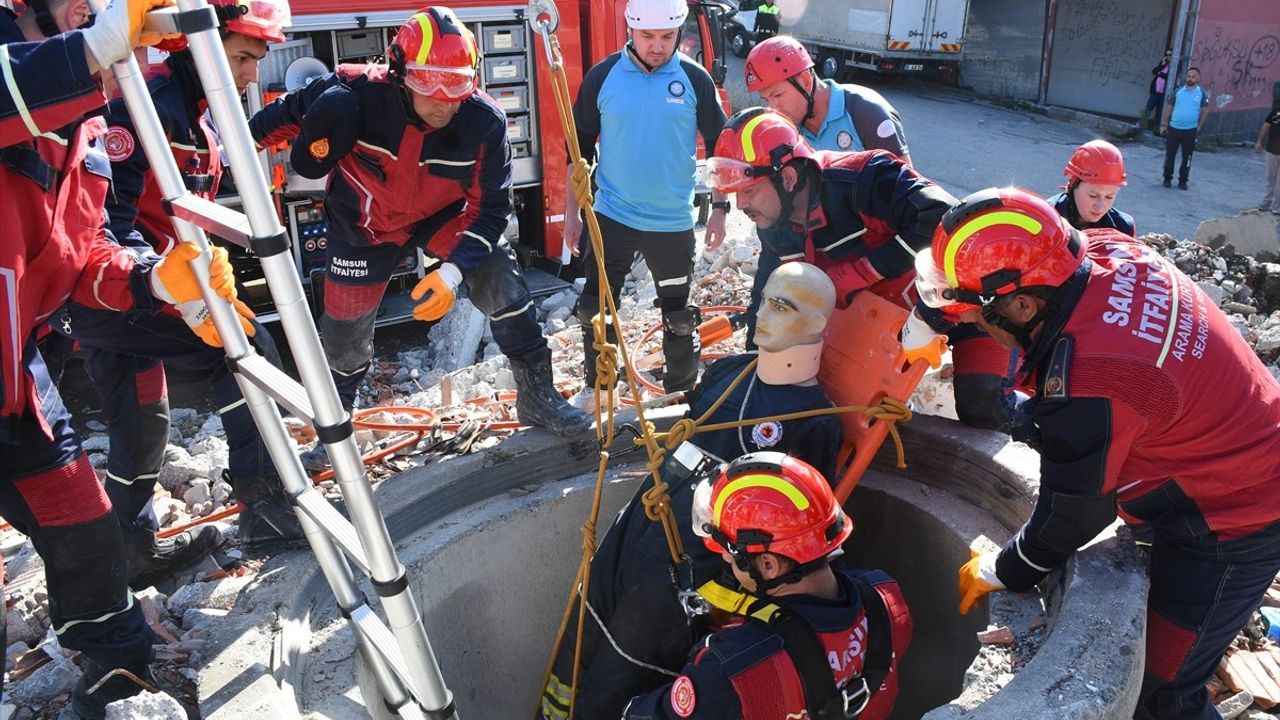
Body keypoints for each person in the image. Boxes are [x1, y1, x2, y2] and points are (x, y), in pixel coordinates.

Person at [915, 188, 1280, 720]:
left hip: (1236, 517)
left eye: (976, 316)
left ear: (1022, 305)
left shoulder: (1089, 379)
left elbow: (1079, 512)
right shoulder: (1106, 249)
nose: (974, 326)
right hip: (1229, 443)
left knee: (1160, 690)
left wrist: (1004, 569)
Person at [1, 0, 256, 713]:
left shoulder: (90, 122)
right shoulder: (31, 72)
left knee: (85, 524)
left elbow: (85, 261)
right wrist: (92, 48)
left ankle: (120, 676)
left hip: (13, 381)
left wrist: (155, 280)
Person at [249, 6, 590, 438]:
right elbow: (271, 122)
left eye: (456, 87)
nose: (443, 102)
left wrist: (450, 276)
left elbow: (490, 213)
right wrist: (224, 154)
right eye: (429, 85)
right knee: (344, 334)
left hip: (441, 216)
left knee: (501, 279)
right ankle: (334, 430)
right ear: (398, 72)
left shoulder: (485, 123)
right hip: (364, 224)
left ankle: (538, 396)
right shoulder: (351, 91)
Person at [54, 0, 298, 582]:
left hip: (126, 291)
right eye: (241, 57)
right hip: (121, 286)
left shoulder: (195, 111)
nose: (247, 75)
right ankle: (262, 507)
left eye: (255, 62)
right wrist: (167, 285)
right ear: (194, 43)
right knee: (244, 350)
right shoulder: (149, 106)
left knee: (139, 420)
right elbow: (105, 218)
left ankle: (130, 553)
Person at [541, 263, 846, 720]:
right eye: (764, 299)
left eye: (782, 306)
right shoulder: (729, 373)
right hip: (639, 532)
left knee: (623, 674)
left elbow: (792, 531)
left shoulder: (813, 422)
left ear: (818, 324)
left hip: (689, 569)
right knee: (582, 632)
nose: (764, 313)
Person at [622, 452, 913, 720]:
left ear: (769, 565)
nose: (723, 557)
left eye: (728, 550)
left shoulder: (735, 668)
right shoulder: (886, 598)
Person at [565, 0, 729, 403]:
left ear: (679, 33)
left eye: (667, 36)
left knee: (677, 317)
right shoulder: (603, 76)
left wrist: (721, 209)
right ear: (629, 31)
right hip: (611, 217)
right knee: (596, 309)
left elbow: (722, 149)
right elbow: (578, 152)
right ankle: (600, 389)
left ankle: (680, 395)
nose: (658, 46)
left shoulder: (695, 79)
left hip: (671, 222)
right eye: (648, 36)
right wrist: (572, 215)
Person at [741, 35, 910, 347]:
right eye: (766, 100)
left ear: (805, 79)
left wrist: (864, 271)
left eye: (777, 94)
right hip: (818, 253)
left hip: (875, 258)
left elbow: (905, 196)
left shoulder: (865, 112)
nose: (772, 108)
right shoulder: (785, 129)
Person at [1048, 139, 1135, 235]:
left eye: (1109, 197)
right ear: (1072, 184)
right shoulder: (1047, 218)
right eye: (1093, 195)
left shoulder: (1123, 228)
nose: (1100, 206)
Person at [1160, 67, 1210, 190]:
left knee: (1187, 157)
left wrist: (1199, 127)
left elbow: (1205, 111)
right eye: (1188, 76)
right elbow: (1169, 107)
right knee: (1170, 155)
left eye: (1193, 76)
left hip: (1190, 130)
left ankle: (1183, 180)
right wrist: (1164, 124)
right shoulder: (1178, 91)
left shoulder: (1202, 94)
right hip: (1174, 129)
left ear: (1198, 78)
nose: (1190, 79)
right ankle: (1167, 178)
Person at [1255, 85, 1280, 215]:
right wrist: (1259, 142)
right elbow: (1266, 126)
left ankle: (1277, 206)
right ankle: (1266, 202)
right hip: (1271, 150)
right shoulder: (1276, 111)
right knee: (1270, 178)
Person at [1139, 48, 1171, 133]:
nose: (1168, 56)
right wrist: (1162, 65)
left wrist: (1160, 73)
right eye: (1166, 55)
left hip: (1163, 94)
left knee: (1160, 113)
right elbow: (1154, 71)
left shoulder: (1175, 66)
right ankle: (1141, 126)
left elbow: (1170, 78)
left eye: (1170, 55)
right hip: (1155, 91)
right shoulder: (1163, 64)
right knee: (1148, 109)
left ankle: (1157, 130)